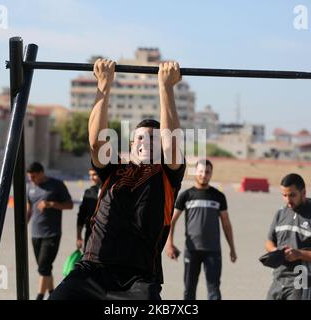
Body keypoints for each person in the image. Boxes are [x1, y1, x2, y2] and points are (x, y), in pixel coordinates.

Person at [50, 58, 186, 300]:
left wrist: (165, 87)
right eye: (141, 138)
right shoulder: (113, 169)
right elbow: (95, 141)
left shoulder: (167, 174)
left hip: (139, 278)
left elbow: (172, 141)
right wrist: (104, 85)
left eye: (154, 140)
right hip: (92, 270)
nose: (147, 143)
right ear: (132, 144)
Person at [166, 159, 237, 300]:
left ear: (211, 174)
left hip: (213, 251)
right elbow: (171, 221)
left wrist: (232, 248)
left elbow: (226, 224)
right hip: (192, 251)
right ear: (196, 172)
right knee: (189, 290)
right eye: (201, 171)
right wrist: (170, 244)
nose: (204, 175)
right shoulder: (186, 196)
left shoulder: (218, 196)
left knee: (214, 290)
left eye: (207, 172)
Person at [265, 173, 311, 300]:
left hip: (303, 282)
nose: (288, 200)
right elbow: (269, 241)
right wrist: (275, 251)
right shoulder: (280, 214)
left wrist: (299, 254)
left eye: (292, 195)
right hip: (278, 280)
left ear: (303, 192)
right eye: (284, 195)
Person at [26, 162, 74, 300]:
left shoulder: (56, 185)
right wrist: (23, 226)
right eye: (29, 177)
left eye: (34, 176)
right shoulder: (30, 186)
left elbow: (69, 205)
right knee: (45, 268)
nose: (31, 179)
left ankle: (40, 297)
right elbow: (29, 209)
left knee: (44, 267)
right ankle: (53, 293)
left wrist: (51, 204)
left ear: (41, 173)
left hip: (52, 233)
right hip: (35, 233)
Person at [76, 168, 101, 252]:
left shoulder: (111, 191)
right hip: (90, 235)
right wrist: (79, 236)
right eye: (90, 175)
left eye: (94, 174)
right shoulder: (88, 192)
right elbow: (81, 215)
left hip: (107, 236)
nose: (91, 178)